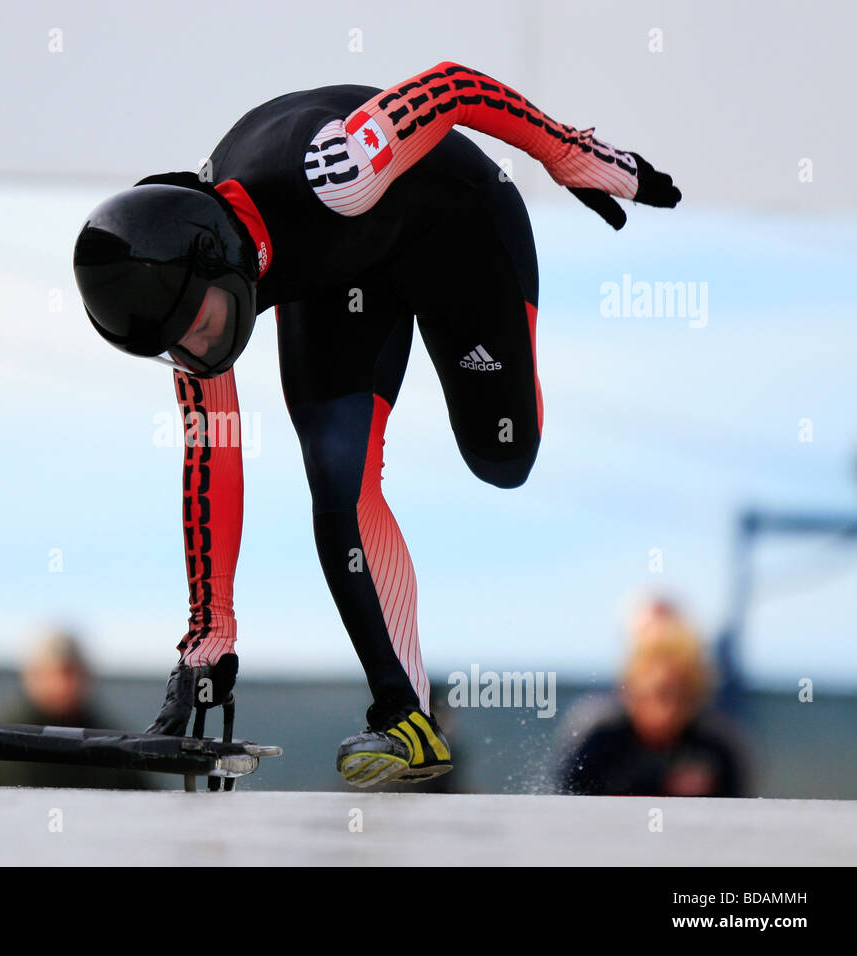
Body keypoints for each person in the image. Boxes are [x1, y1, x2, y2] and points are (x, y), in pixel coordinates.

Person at [72, 62, 681, 788]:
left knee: (504, 457)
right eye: (182, 347)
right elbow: (213, 462)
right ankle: (405, 716)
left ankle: (409, 701)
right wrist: (210, 636)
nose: (205, 351)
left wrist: (564, 152)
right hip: (336, 276)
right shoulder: (190, 309)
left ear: (222, 254)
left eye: (210, 326)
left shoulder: (333, 165)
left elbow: (455, 87)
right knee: (337, 480)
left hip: (455, 232)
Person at [558, 610, 748, 797]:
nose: (670, 709)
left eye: (684, 697)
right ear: (632, 689)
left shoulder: (715, 749)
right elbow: (565, 806)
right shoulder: (598, 738)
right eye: (661, 694)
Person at [0, 631, 155, 789]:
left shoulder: (115, 744)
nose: (62, 685)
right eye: (52, 673)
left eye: (71, 673)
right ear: (31, 676)